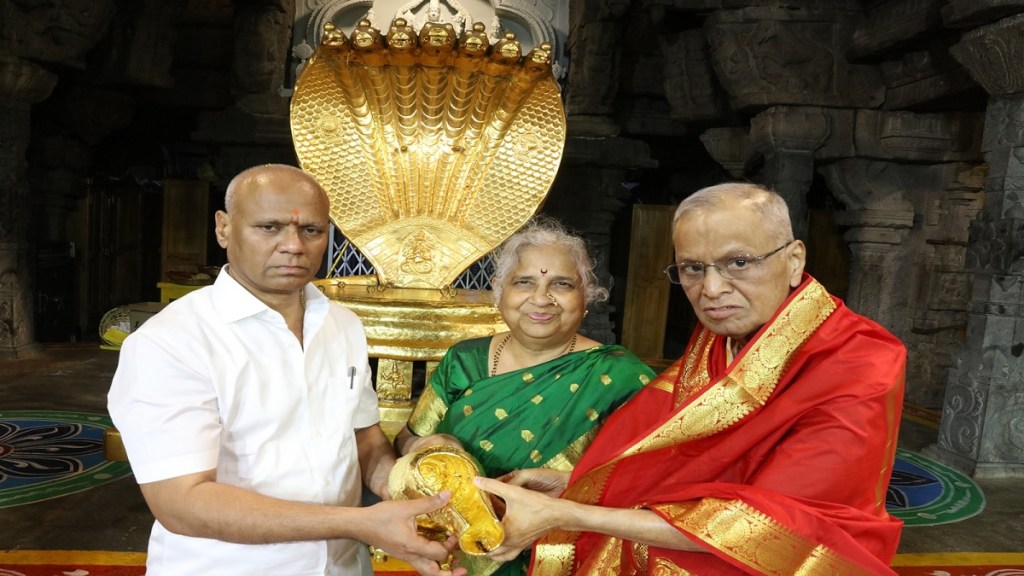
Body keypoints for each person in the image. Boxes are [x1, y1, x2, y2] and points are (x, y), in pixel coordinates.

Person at [475, 183, 906, 575]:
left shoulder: (860, 361)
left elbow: (766, 528)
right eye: (693, 268)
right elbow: (682, 468)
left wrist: (568, 515)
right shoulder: (719, 338)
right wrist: (577, 486)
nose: (713, 288)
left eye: (738, 262)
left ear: (794, 261)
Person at [107, 164, 465, 576]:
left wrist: (406, 485)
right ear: (223, 229)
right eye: (269, 228)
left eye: (311, 230)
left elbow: (363, 439)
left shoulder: (342, 324)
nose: (293, 245)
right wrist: (361, 523)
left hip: (343, 567)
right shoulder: (172, 342)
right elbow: (182, 503)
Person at [394, 217, 656, 576]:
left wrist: (569, 489)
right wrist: (427, 446)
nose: (541, 298)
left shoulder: (621, 377)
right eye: (524, 282)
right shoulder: (464, 360)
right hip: (451, 556)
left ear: (587, 296)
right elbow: (408, 438)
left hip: (563, 558)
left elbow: (653, 480)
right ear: (500, 292)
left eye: (561, 284)